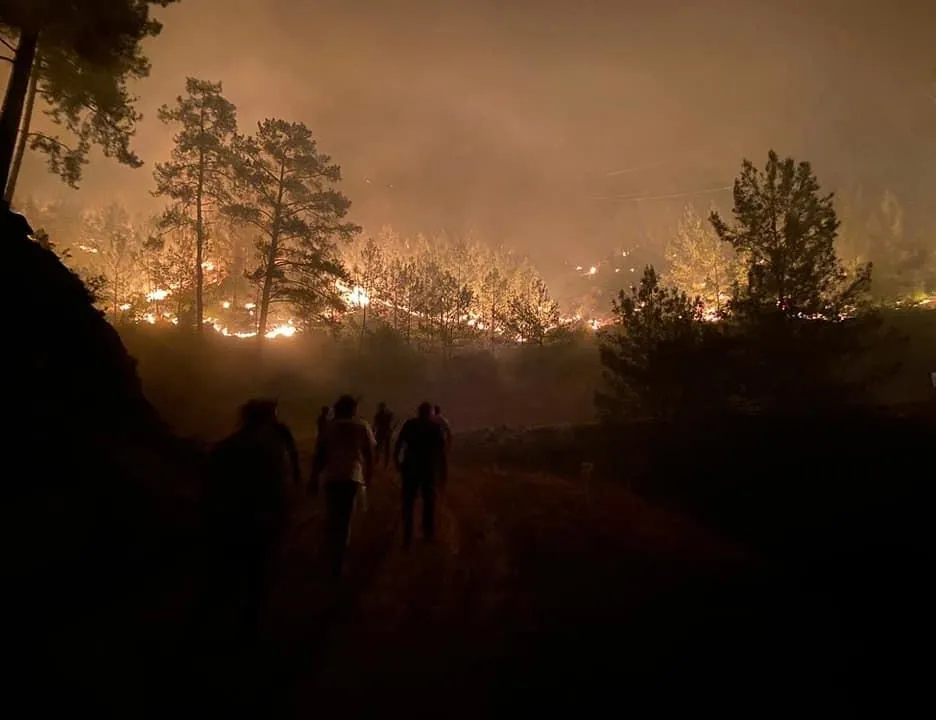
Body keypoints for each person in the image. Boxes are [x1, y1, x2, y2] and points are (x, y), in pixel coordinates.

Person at [204, 398, 301, 643]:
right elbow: (280, 486)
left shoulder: (228, 446)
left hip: (232, 517)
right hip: (263, 517)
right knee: (259, 571)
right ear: (269, 417)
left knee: (230, 570)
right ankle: (250, 623)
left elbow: (213, 483)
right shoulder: (272, 447)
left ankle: (217, 624)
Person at [310, 394, 375, 578]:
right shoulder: (362, 426)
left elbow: (320, 455)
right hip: (352, 476)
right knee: (345, 519)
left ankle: (330, 554)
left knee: (333, 516)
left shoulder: (330, 427)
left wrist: (314, 477)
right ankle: (338, 560)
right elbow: (369, 453)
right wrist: (368, 476)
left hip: (332, 476)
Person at [394, 402, 447, 549]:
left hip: (411, 466)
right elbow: (441, 454)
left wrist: (396, 460)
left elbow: (399, 443)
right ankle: (428, 533)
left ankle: (407, 535)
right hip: (427, 468)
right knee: (428, 501)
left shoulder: (410, 424)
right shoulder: (436, 427)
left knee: (408, 502)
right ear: (430, 413)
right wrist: (443, 472)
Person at [373, 401, 394, 469]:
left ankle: (385, 463)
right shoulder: (380, 415)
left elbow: (376, 425)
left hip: (384, 432)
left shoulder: (382, 415)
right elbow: (376, 425)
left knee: (385, 449)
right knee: (380, 448)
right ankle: (379, 461)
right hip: (382, 432)